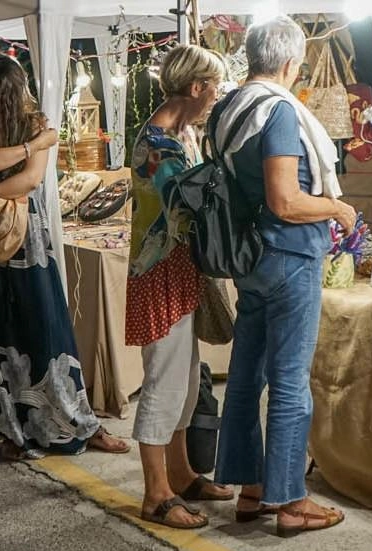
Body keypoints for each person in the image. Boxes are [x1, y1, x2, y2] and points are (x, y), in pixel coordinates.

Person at [210, 15, 356, 537]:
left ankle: (250, 490)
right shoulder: (277, 111)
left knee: (248, 375)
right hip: (289, 254)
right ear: (292, 62)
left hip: (248, 257)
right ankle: (292, 500)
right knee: (292, 381)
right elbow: (286, 199)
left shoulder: (226, 107)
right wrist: (337, 210)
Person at [0, 52, 128, 461]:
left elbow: (30, 180)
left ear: (4, 84)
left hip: (29, 237)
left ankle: (78, 423)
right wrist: (31, 147)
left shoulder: (35, 120)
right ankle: (11, 431)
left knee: (47, 326)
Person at [125, 44, 234, 530]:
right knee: (165, 382)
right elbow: (187, 210)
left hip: (177, 271)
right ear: (195, 88)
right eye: (214, 88)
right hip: (161, 272)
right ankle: (155, 493)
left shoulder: (178, 132)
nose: (216, 97)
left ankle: (182, 473)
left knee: (187, 380)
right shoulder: (160, 144)